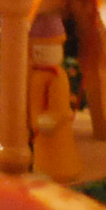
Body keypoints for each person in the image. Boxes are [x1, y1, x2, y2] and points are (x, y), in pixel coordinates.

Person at [28, 10, 82, 183]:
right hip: (42, 128)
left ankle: (61, 170)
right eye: (40, 49)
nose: (43, 53)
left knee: (59, 151)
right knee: (45, 153)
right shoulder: (37, 76)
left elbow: (59, 106)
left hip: (54, 126)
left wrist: (52, 118)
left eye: (52, 48)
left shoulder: (57, 76)